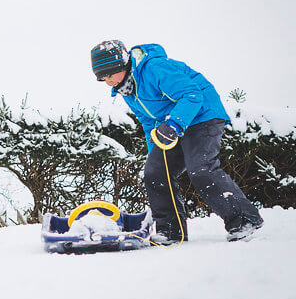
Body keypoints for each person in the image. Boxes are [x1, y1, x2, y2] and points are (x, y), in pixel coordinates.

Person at [90, 40, 264, 244]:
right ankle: (171, 231)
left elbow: (192, 95)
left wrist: (174, 124)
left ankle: (245, 220)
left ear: (123, 64)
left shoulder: (154, 68)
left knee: (201, 168)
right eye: (103, 79)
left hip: (203, 116)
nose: (108, 81)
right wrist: (154, 153)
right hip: (174, 124)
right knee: (155, 171)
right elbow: (148, 121)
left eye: (110, 74)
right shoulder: (127, 91)